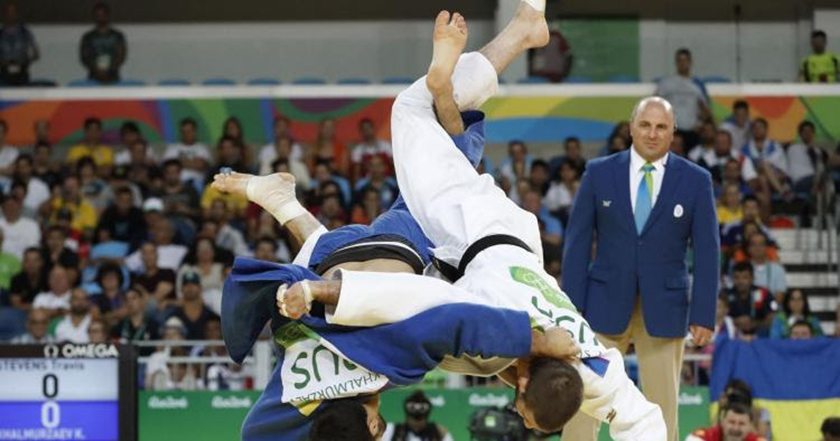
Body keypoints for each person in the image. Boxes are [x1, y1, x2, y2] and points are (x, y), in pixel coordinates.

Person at [278, 8, 665, 438]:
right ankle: (506, 42)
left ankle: (494, 55)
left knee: (452, 143)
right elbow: (407, 298)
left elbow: (648, 421)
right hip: (470, 232)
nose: (519, 416)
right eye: (524, 412)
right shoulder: (492, 319)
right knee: (410, 109)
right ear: (523, 383)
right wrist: (319, 292)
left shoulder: (597, 371)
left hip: (508, 240)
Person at [561, 94, 719, 440]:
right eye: (645, 125)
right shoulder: (599, 173)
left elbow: (708, 252)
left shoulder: (696, 180)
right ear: (631, 128)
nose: (652, 133)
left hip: (665, 307)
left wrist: (703, 314)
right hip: (601, 304)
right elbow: (576, 245)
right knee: (584, 398)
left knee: (663, 405)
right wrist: (568, 311)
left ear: (673, 131)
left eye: (661, 126)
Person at [654, 48, 711, 147]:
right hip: (672, 131)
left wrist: (700, 125)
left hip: (692, 132)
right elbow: (654, 104)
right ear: (676, 62)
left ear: (690, 62)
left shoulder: (698, 84)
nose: (682, 63)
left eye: (685, 60)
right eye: (679, 60)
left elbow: (706, 109)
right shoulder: (666, 83)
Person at [79, 2, 126, 84]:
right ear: (94, 16)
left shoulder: (118, 36)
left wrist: (109, 69)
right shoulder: (87, 37)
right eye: (97, 15)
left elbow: (120, 56)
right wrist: (97, 70)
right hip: (93, 78)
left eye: (103, 14)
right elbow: (85, 57)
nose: (100, 17)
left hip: (113, 77)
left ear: (108, 15)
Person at [726, 263, 776, 338]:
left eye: (744, 277)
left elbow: (772, 318)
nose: (740, 281)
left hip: (759, 335)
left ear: (752, 278)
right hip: (734, 334)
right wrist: (735, 321)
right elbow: (718, 319)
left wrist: (754, 323)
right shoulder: (726, 295)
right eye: (737, 277)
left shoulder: (764, 293)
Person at [384, 391, 452, 441]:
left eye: (420, 419)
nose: (416, 423)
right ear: (407, 416)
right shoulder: (391, 430)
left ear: (426, 418)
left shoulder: (438, 432)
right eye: (413, 418)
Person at [0, 2, 38, 86]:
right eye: (8, 12)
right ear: (4, 14)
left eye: (13, 12)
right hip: (4, 74)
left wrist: (25, 61)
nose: (11, 15)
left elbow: (35, 53)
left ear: (17, 14)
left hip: (22, 74)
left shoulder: (25, 32)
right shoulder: (1, 34)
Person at [685, 402, 766, 441]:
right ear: (722, 422)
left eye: (741, 424)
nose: (735, 428)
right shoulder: (703, 437)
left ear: (750, 426)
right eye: (731, 422)